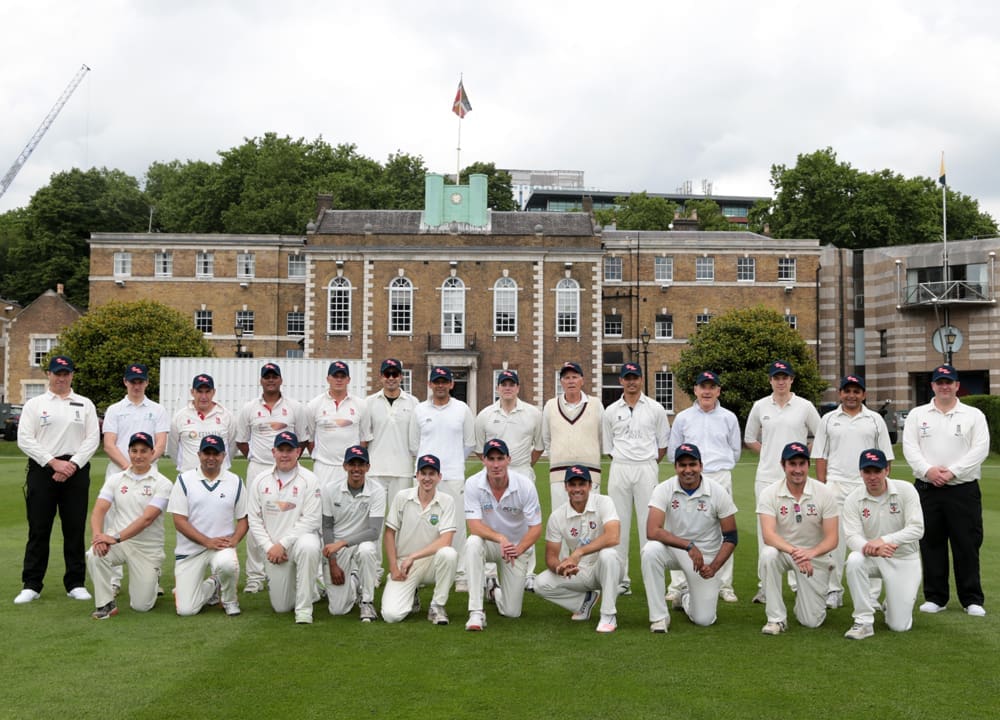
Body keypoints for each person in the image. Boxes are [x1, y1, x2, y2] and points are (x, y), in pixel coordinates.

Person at [902, 363, 990, 617]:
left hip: (963, 489)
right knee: (931, 543)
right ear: (932, 386)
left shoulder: (973, 415)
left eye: (949, 382)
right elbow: (910, 448)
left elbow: (980, 449)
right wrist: (928, 471)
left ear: (957, 386)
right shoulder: (918, 415)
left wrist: (952, 472)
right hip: (928, 489)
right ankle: (936, 597)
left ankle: (971, 598)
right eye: (939, 382)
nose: (944, 386)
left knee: (967, 544)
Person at [15, 355, 100, 605]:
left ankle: (75, 583)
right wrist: (53, 462)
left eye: (66, 373)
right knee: (39, 529)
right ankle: (31, 584)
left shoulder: (85, 404)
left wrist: (72, 464)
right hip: (44, 469)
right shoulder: (35, 404)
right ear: (49, 375)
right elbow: (24, 439)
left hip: (76, 470)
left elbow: (92, 439)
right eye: (57, 373)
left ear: (72, 375)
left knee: (74, 528)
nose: (61, 378)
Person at [812, 374, 894, 608]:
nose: (851, 395)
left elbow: (887, 458)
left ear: (863, 394)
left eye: (856, 391)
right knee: (834, 542)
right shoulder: (828, 419)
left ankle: (870, 595)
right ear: (840, 394)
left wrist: (881, 488)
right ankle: (833, 590)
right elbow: (820, 455)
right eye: (847, 391)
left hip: (866, 486)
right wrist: (823, 487)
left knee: (869, 540)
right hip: (836, 485)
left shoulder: (875, 420)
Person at [744, 360, 821, 602]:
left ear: (791, 380)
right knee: (765, 531)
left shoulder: (804, 406)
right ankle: (766, 586)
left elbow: (820, 436)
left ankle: (800, 582)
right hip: (767, 477)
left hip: (797, 479)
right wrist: (771, 456)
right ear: (770, 380)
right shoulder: (760, 406)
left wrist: (800, 457)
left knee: (799, 528)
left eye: (785, 377)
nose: (780, 381)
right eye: (776, 377)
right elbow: (749, 438)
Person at [641, 443, 738, 633]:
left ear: (701, 466)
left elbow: (731, 536)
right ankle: (659, 617)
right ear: (676, 467)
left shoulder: (717, 491)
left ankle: (685, 596)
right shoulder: (664, 488)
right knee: (650, 551)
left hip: (707, 556)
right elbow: (652, 531)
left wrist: (715, 566)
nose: (688, 470)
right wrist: (688, 546)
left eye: (692, 464)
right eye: (682, 465)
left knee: (704, 620)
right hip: (676, 548)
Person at [666, 370, 741, 603]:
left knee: (723, 532)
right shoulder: (683, 418)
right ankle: (677, 585)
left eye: (712, 387)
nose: (707, 391)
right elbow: (672, 452)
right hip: (689, 478)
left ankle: (724, 585)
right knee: (680, 529)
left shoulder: (728, 417)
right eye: (703, 387)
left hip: (719, 476)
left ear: (718, 390)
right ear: (696, 390)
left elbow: (735, 451)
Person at [235, 362, 308, 594]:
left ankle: (291, 565)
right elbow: (241, 441)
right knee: (255, 519)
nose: (270, 380)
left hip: (288, 470)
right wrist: (259, 460)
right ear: (261, 380)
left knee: (288, 515)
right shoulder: (249, 408)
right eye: (266, 377)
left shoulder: (295, 407)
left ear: (280, 380)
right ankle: (255, 576)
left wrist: (289, 460)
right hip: (259, 468)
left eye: (274, 376)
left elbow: (304, 439)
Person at [86, 432, 173, 619]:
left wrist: (114, 537)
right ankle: (106, 603)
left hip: (147, 548)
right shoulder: (116, 479)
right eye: (134, 451)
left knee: (141, 606)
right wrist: (98, 537)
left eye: (143, 451)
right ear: (129, 452)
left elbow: (147, 519)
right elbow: (99, 509)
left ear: (152, 452)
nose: (138, 455)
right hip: (119, 543)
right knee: (94, 554)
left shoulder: (163, 483)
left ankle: (153, 579)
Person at [602, 361, 670, 595]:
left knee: (648, 525)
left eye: (635, 377)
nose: (631, 382)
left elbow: (662, 445)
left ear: (641, 379)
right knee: (617, 523)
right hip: (620, 467)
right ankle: (621, 579)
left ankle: (651, 577)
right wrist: (626, 460)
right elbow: (608, 446)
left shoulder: (655, 408)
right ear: (621, 381)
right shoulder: (610, 411)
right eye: (627, 378)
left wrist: (647, 462)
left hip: (646, 468)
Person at [842, 449, 924, 640]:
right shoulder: (853, 499)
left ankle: (892, 603)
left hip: (904, 559)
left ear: (887, 470)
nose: (872, 477)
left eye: (877, 471)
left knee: (899, 626)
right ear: (860, 472)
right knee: (854, 560)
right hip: (873, 558)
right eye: (867, 472)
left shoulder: (906, 490)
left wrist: (885, 540)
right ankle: (863, 621)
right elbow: (852, 536)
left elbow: (917, 529)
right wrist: (874, 548)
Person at [756, 442, 838, 635]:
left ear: (808, 465)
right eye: (792, 464)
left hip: (814, 556)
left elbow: (832, 538)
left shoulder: (824, 492)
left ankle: (805, 602)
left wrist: (809, 554)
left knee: (811, 621)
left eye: (802, 464)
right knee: (768, 554)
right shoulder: (769, 493)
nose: (798, 470)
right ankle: (776, 619)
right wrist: (795, 552)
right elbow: (768, 535)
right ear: (783, 465)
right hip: (785, 552)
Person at [474, 368, 543, 589]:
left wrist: (521, 466)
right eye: (503, 384)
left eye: (511, 384)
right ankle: (490, 573)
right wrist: (496, 466)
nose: (507, 388)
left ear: (518, 387)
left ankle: (527, 572)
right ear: (497, 388)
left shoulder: (533, 414)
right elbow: (479, 449)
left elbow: (539, 446)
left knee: (526, 523)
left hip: (522, 471)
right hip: (493, 475)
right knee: (491, 520)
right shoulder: (485, 415)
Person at [463, 439, 543, 630]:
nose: (496, 464)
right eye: (491, 459)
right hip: (491, 543)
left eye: (500, 458)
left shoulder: (525, 485)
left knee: (511, 612)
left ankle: (494, 591)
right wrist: (500, 538)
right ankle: (476, 612)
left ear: (509, 459)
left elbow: (536, 527)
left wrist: (519, 548)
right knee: (473, 543)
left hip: (516, 548)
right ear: (484, 460)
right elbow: (474, 526)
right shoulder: (473, 483)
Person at [410, 366, 475, 590]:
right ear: (430, 384)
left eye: (444, 381)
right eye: (436, 381)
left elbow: (469, 443)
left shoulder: (462, 409)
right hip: (424, 477)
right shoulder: (419, 410)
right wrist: (428, 472)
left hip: (453, 475)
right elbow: (413, 444)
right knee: (423, 525)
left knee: (456, 525)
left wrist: (451, 462)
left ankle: (460, 574)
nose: (440, 385)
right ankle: (422, 572)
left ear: (451, 384)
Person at [534, 465, 621, 633]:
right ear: (566, 487)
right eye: (572, 485)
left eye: (581, 484)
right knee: (540, 583)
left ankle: (608, 615)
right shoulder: (557, 516)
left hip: (607, 569)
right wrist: (560, 568)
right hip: (579, 571)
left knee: (608, 554)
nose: (577, 489)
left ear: (590, 485)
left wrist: (578, 552)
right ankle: (584, 601)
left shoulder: (604, 502)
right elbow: (551, 556)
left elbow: (613, 536)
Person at [247, 431, 322, 624]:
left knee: (309, 545)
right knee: (281, 607)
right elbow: (254, 520)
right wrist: (270, 547)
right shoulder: (260, 480)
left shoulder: (309, 479)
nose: (285, 454)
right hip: (272, 550)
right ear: (273, 451)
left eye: (290, 450)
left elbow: (311, 519)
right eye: (281, 450)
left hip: (296, 544)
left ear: (298, 451)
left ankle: (304, 610)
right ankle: (312, 589)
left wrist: (284, 543)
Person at [169, 434, 248, 617]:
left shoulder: (235, 481)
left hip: (221, 546)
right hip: (190, 549)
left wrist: (234, 540)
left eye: (216, 453)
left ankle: (229, 601)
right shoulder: (184, 480)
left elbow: (244, 518)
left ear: (223, 456)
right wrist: (206, 541)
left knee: (228, 563)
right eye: (207, 453)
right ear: (199, 454)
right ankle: (213, 584)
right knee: (186, 610)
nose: (211, 457)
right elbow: (179, 520)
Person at [381, 454, 458, 625]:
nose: (427, 478)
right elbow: (389, 533)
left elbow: (446, 540)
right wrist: (393, 567)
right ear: (416, 475)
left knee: (449, 554)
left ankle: (437, 605)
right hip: (405, 566)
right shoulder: (402, 497)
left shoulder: (447, 501)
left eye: (432, 474)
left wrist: (413, 556)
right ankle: (411, 594)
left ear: (439, 477)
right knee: (391, 616)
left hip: (432, 561)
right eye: (423, 473)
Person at [321, 445, 385, 622]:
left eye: (361, 464)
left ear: (367, 467)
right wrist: (332, 562)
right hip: (336, 546)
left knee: (367, 550)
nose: (356, 468)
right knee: (338, 610)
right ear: (345, 466)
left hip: (361, 542)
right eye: (352, 464)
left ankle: (367, 602)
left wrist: (342, 543)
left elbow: (374, 531)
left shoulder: (377, 490)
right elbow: (327, 526)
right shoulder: (330, 489)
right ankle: (355, 580)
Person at [542, 361, 603, 510]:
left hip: (590, 474)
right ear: (561, 382)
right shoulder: (550, 405)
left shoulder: (595, 404)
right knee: (561, 519)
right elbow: (547, 439)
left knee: (590, 521)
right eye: (566, 377)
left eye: (574, 377)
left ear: (582, 380)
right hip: (559, 475)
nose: (571, 381)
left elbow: (601, 437)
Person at [363, 358, 418, 518]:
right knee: (374, 520)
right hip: (375, 471)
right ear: (381, 376)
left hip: (403, 471)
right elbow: (364, 438)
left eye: (395, 374)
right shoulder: (369, 402)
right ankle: (371, 545)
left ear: (401, 377)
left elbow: (416, 438)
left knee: (400, 520)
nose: (391, 377)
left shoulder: (413, 403)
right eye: (388, 374)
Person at [307, 360, 369, 489]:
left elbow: (363, 440)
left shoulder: (360, 405)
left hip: (350, 467)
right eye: (335, 376)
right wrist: (322, 458)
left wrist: (355, 464)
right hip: (323, 467)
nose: (339, 380)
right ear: (328, 378)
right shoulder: (314, 405)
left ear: (348, 379)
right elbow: (310, 439)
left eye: (342, 376)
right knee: (322, 506)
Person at [102, 362, 169, 478]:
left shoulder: (159, 410)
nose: (137, 387)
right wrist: (128, 468)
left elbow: (160, 444)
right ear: (125, 382)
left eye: (140, 382)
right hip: (118, 473)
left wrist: (142, 467)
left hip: (148, 474)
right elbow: (109, 445)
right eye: (133, 382)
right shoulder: (114, 410)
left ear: (147, 382)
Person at [169, 373, 236, 474]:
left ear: (213, 392)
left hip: (219, 476)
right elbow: (173, 448)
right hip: (188, 476)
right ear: (192, 392)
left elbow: (232, 446)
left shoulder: (226, 416)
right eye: (199, 392)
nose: (203, 396)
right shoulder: (180, 417)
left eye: (207, 391)